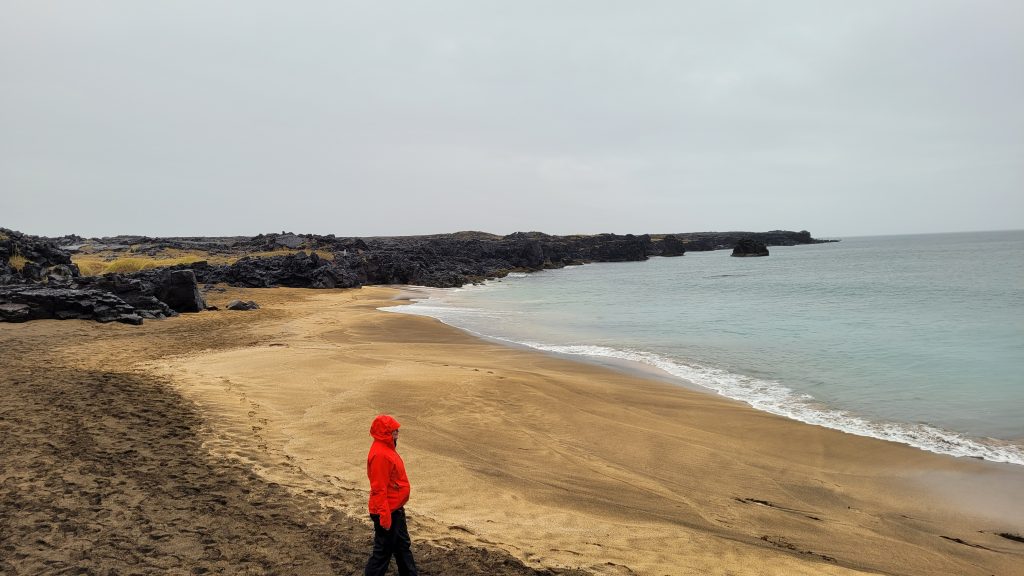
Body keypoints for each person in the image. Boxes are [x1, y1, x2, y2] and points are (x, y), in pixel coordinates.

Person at [364, 414, 418, 576]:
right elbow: (378, 489)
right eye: (394, 431)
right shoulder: (380, 455)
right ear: (385, 433)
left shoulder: (387, 448)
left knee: (402, 547)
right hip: (387, 511)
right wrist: (385, 517)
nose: (397, 433)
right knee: (382, 554)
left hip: (395, 508)